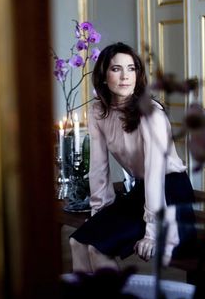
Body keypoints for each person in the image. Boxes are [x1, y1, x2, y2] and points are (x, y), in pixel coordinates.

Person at [69, 42, 195, 273]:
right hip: (142, 190)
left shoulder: (151, 114)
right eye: (116, 69)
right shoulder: (98, 111)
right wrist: (100, 215)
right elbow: (98, 168)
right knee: (77, 243)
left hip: (171, 193)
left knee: (98, 249)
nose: (126, 76)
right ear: (104, 76)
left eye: (132, 69)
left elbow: (156, 175)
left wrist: (152, 233)